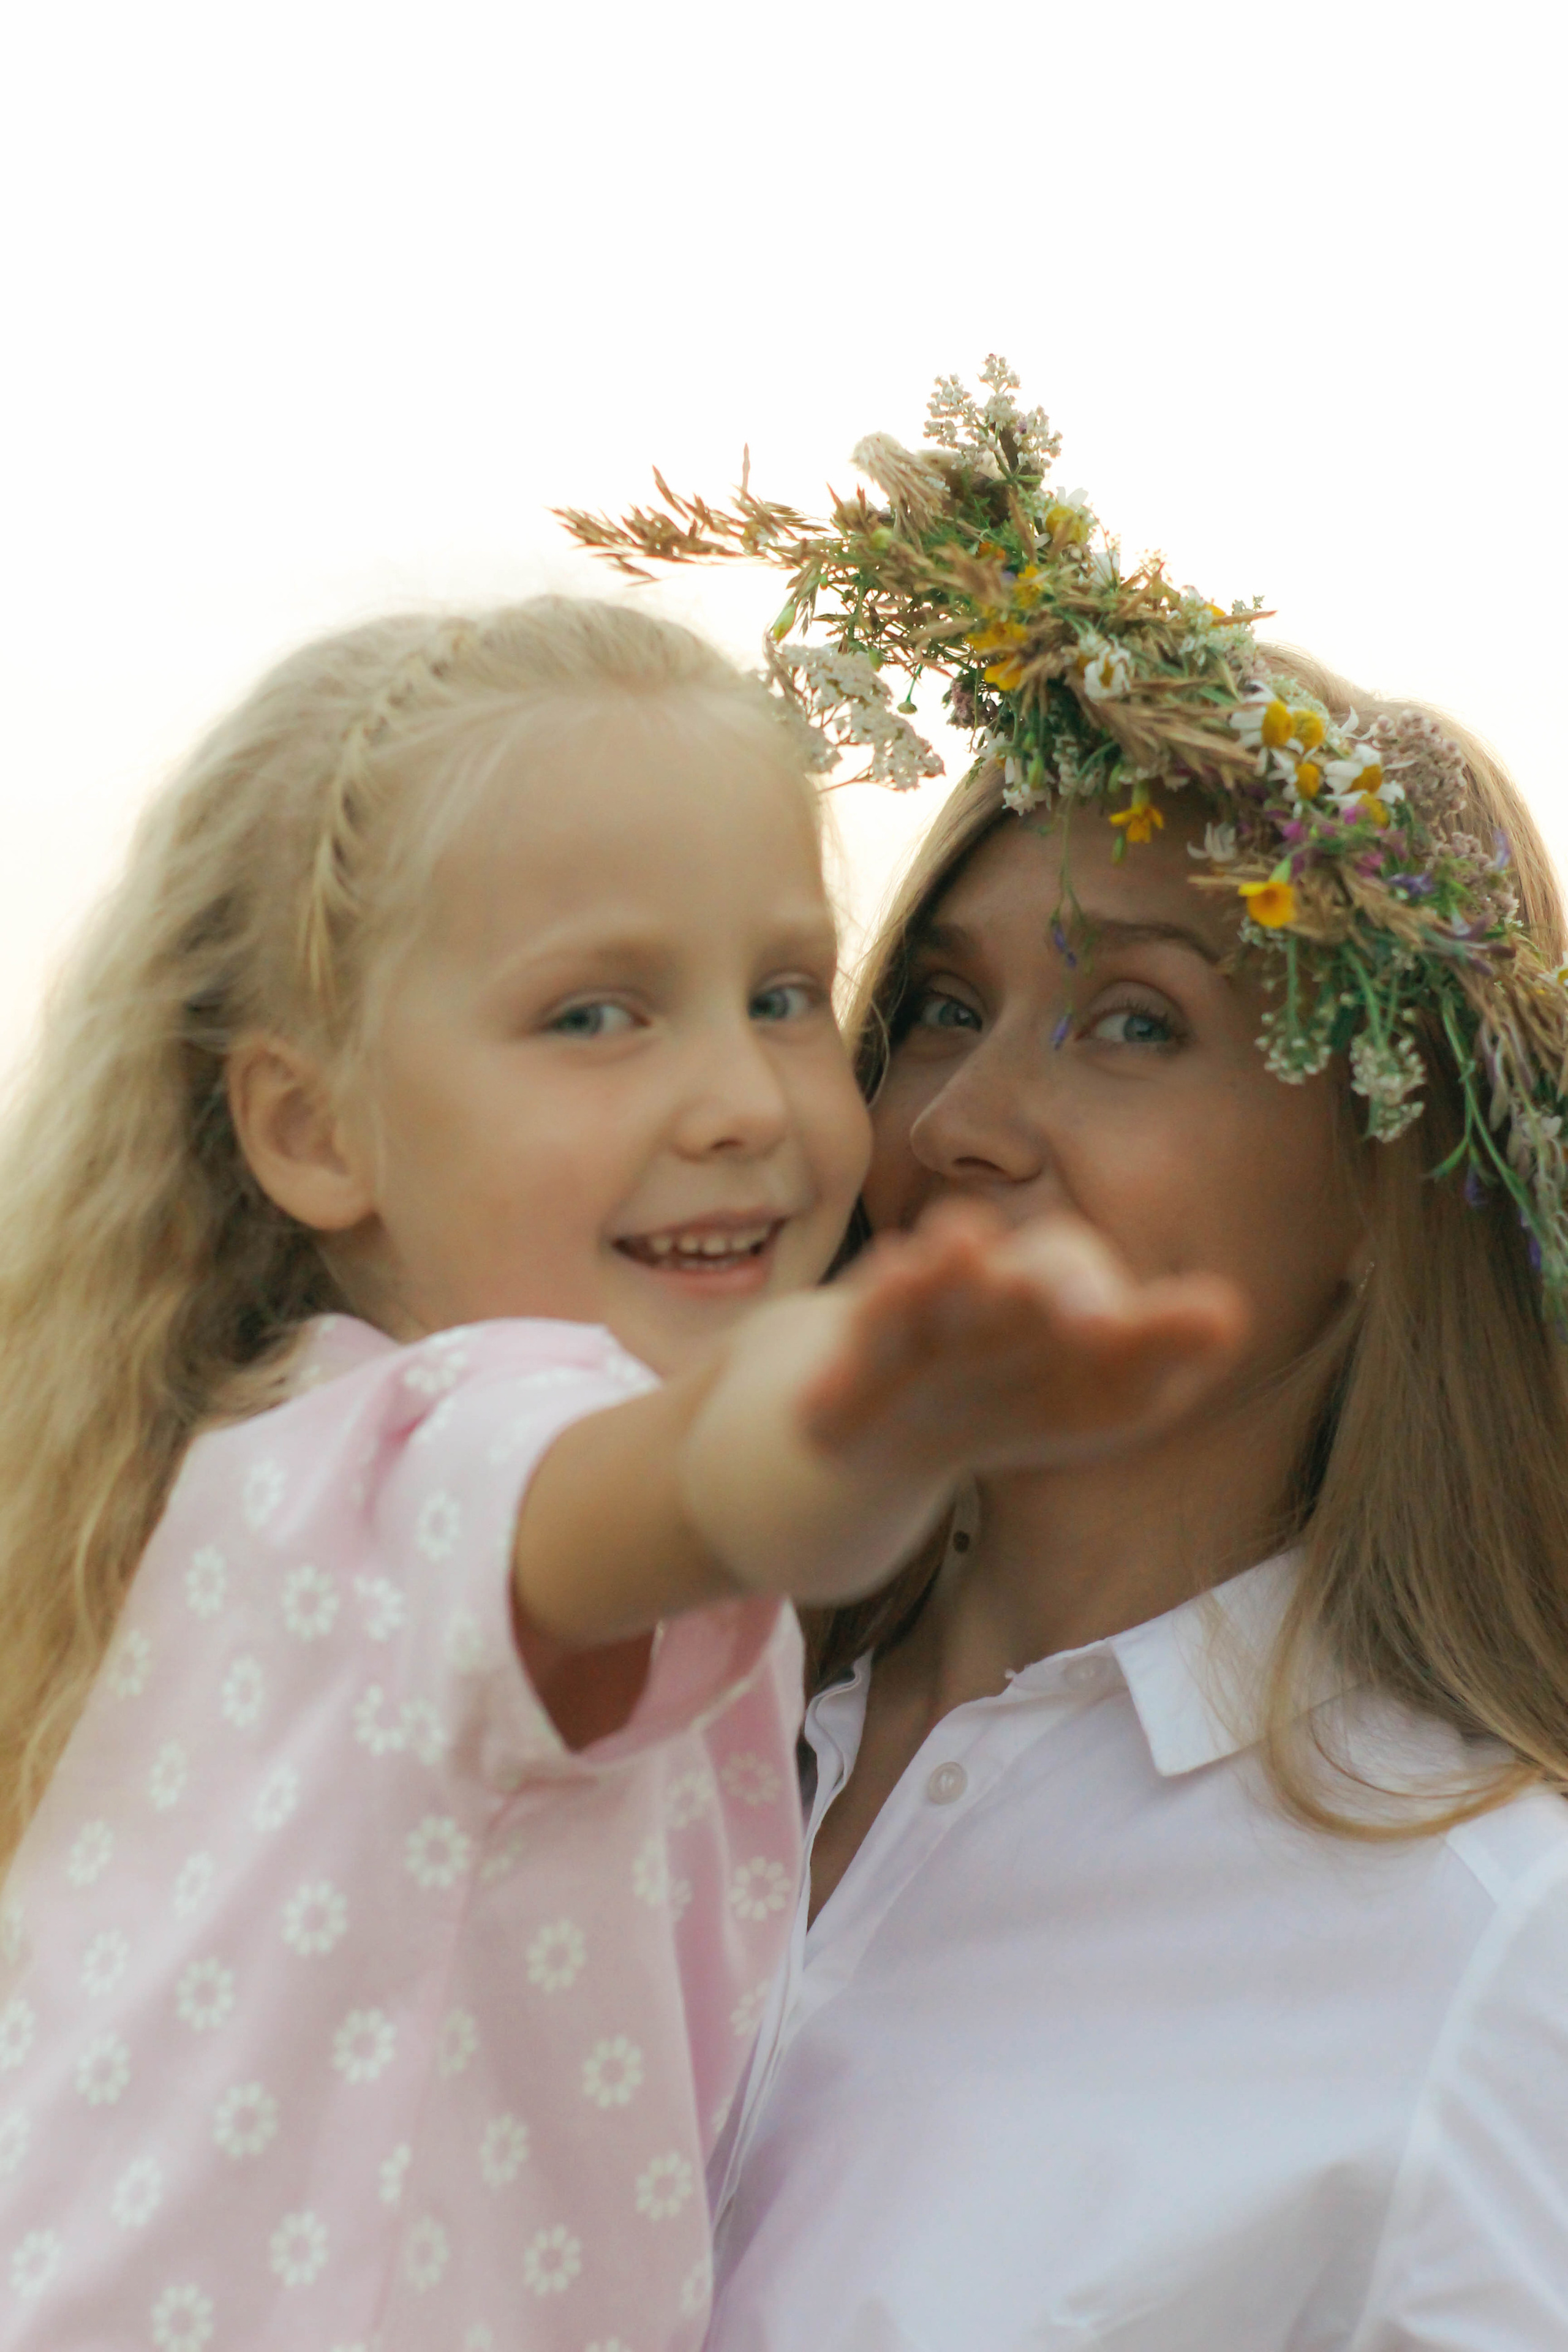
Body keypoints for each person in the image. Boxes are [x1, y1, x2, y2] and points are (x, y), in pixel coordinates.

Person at [0, 595, 1234, 2352]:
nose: (739, 1097)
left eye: (784, 994)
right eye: (595, 1016)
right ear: (312, 1126)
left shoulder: (278, 1469)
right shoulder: (460, 1454)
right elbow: (690, 1488)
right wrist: (871, 1410)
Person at [566, 367, 1568, 2348]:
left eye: (1134, 1025)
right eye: (941, 1005)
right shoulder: (647, 1701)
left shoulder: (1494, 1952)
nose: (961, 1124)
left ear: (1390, 1187)